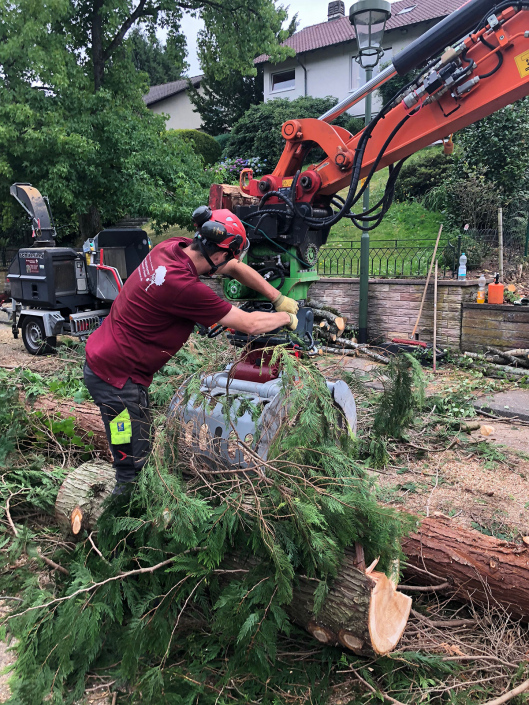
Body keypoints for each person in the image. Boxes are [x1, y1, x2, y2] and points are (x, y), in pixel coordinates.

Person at [83, 206, 299, 490]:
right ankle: (123, 520)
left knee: (140, 442)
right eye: (229, 255)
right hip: (116, 380)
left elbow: (231, 266)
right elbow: (248, 324)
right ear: (219, 254)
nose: (230, 262)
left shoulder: (170, 248)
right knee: (131, 463)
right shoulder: (184, 286)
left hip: (107, 359)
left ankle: (138, 499)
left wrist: (276, 296)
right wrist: (288, 316)